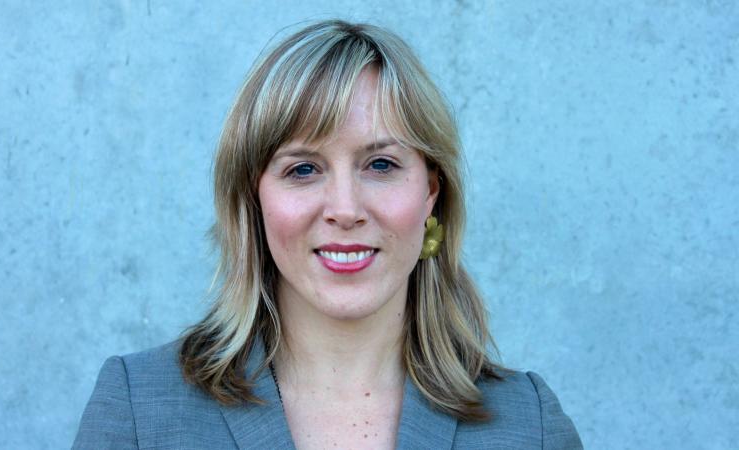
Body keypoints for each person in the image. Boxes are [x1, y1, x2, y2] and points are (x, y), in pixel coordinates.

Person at [73, 20, 582, 449]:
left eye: (381, 164)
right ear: (256, 198)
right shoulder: (139, 410)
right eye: (303, 169)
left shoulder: (528, 425)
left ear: (430, 193)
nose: (345, 209)